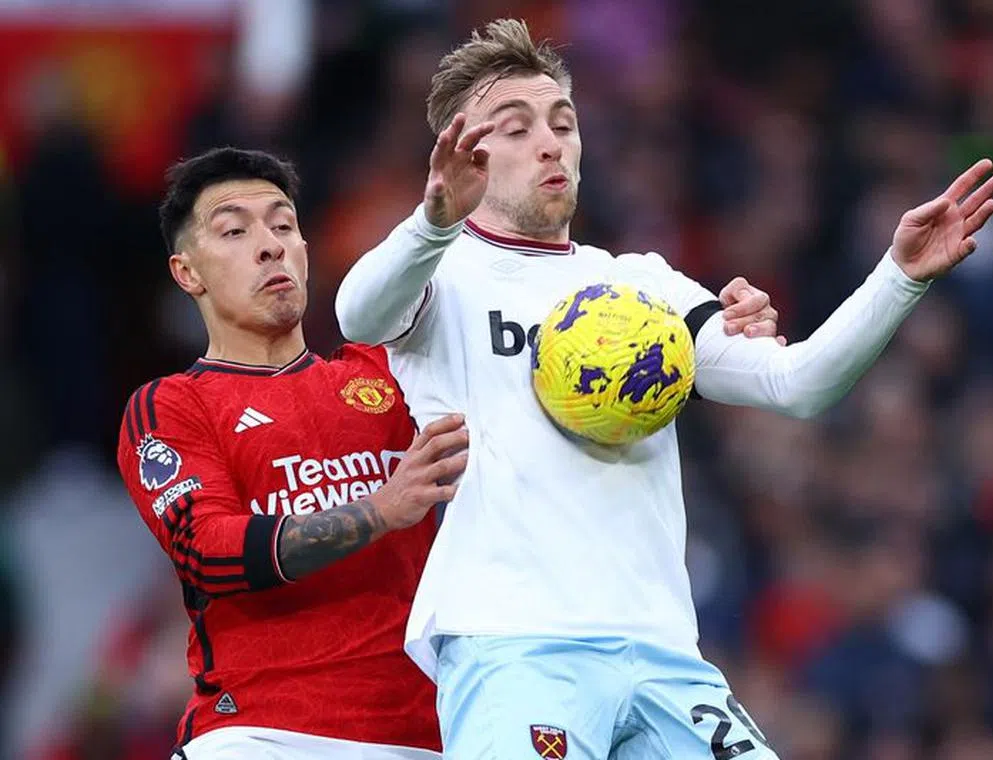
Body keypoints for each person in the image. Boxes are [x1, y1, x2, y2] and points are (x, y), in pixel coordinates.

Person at [334, 18, 993, 760]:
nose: (552, 142)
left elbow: (798, 385)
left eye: (563, 121)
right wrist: (432, 219)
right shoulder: (442, 274)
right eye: (518, 128)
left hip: (663, 652)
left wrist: (899, 277)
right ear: (466, 153)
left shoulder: (639, 284)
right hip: (516, 641)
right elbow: (356, 312)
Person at [116, 146, 781, 760]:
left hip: (426, 734)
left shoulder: (391, 373)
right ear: (187, 271)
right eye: (235, 232)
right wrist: (378, 510)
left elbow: (563, 370)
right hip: (258, 735)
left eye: (283, 226)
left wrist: (702, 332)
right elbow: (208, 553)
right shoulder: (174, 405)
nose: (269, 247)